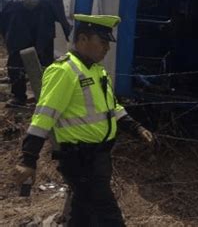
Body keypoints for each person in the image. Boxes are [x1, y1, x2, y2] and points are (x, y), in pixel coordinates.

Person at [14, 14, 157, 226]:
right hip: (80, 160)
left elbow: (112, 108)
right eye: (102, 42)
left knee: (83, 211)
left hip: (99, 157)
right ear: (82, 40)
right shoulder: (64, 71)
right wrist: (28, 159)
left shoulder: (97, 71)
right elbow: (44, 117)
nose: (107, 48)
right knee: (107, 214)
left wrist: (135, 128)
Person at [2, 0, 70, 108]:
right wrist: (20, 2)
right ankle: (18, 96)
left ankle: (45, 97)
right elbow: (6, 1)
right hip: (20, 29)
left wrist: (41, 2)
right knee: (16, 62)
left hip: (42, 29)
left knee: (45, 62)